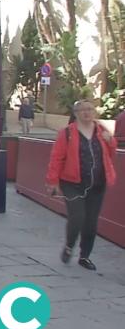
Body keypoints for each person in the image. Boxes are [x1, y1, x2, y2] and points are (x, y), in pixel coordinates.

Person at [46, 100, 117, 271]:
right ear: (76, 113)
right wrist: (52, 182)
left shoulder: (102, 131)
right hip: (72, 183)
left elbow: (110, 155)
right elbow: (56, 158)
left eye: (90, 109)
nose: (87, 113)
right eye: (83, 110)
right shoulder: (67, 133)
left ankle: (85, 256)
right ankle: (69, 246)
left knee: (91, 222)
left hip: (98, 184)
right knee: (77, 218)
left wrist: (111, 141)